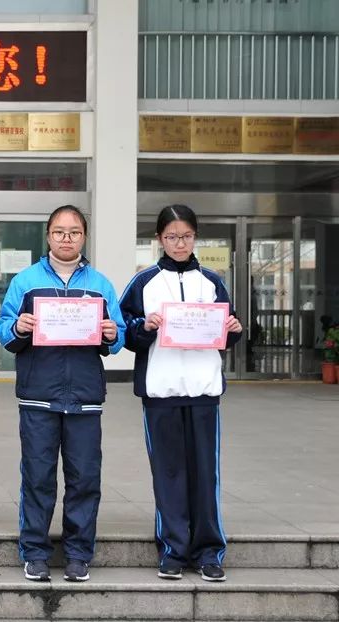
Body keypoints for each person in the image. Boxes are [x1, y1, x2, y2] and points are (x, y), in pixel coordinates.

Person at [0, 205, 125, 583]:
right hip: (39, 395)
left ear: (84, 237)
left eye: (74, 232)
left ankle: (78, 554)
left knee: (85, 479)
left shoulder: (99, 284)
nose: (66, 239)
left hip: (85, 396)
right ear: (48, 236)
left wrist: (113, 335)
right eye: (59, 232)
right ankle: (34, 552)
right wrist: (18, 325)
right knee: (38, 477)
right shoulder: (26, 282)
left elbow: (117, 334)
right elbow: (3, 330)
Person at [119, 204, 243, 583]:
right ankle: (173, 549)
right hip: (161, 391)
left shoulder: (212, 281)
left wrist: (234, 329)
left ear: (195, 237)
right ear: (159, 239)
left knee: (206, 473)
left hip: (204, 390)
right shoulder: (144, 282)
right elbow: (126, 334)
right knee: (169, 473)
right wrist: (146, 326)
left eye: (186, 236)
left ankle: (209, 551)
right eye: (171, 237)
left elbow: (228, 330)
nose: (178, 243)